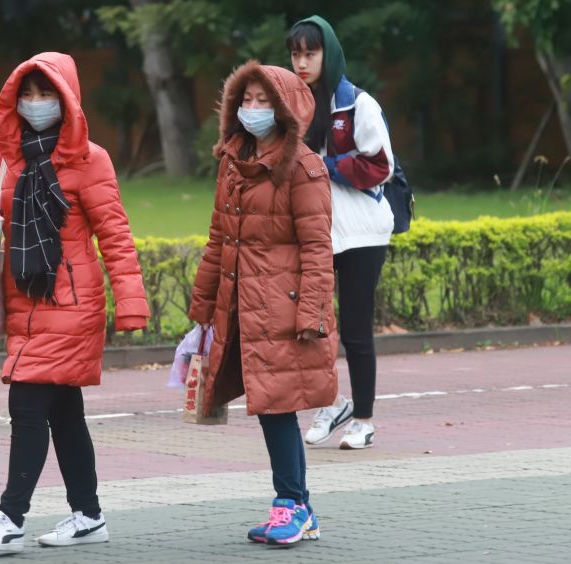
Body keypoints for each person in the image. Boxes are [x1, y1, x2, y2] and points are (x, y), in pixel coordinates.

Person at [0, 52, 149, 553]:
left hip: (71, 302)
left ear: (67, 100)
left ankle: (10, 516)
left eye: (47, 94)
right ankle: (88, 515)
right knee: (65, 412)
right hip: (22, 298)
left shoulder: (92, 159)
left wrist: (131, 303)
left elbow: (116, 235)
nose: (36, 103)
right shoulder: (6, 157)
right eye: (29, 94)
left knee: (26, 401)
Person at [188, 60, 338, 546]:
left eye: (262, 102)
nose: (252, 110)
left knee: (277, 407)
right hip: (241, 305)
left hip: (285, 309)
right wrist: (202, 314)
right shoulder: (232, 162)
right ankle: (299, 507)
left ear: (284, 109)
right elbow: (218, 241)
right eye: (245, 101)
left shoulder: (304, 168)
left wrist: (311, 312)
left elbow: (318, 247)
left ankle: (290, 505)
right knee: (273, 407)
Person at [287, 16, 395, 450]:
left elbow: (380, 165)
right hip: (314, 232)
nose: (301, 62)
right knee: (311, 325)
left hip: (362, 233)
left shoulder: (358, 104)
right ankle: (333, 401)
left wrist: (324, 167)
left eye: (309, 52)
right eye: (295, 53)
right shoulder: (292, 106)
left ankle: (364, 420)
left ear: (326, 53)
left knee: (354, 328)